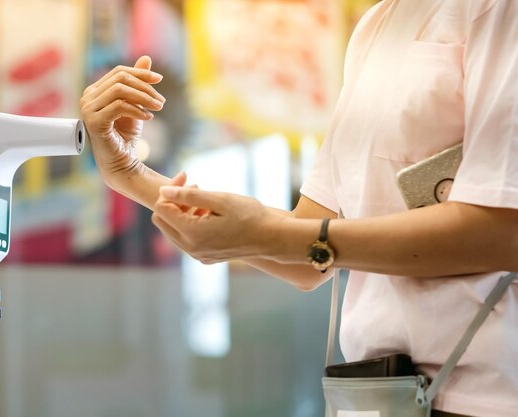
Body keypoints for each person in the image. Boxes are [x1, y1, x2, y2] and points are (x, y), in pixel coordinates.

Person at [79, 0, 518, 415]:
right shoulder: (377, 26)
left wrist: (269, 235)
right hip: (386, 393)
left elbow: (503, 231)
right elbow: (308, 255)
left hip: (487, 397)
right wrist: (129, 174)